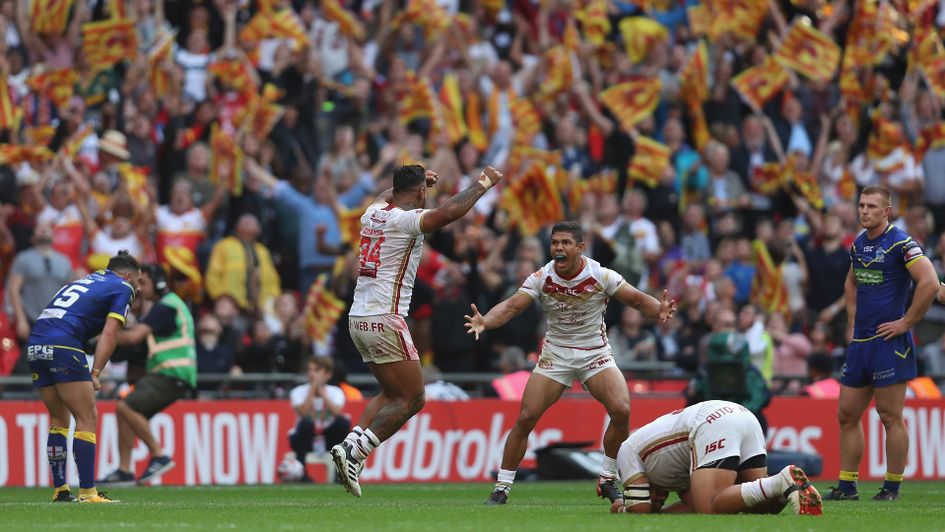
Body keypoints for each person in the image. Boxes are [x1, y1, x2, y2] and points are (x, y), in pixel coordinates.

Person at [464, 221, 677, 505]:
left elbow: (637, 300)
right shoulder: (542, 277)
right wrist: (486, 321)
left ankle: (607, 478)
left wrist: (657, 309)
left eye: (565, 243)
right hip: (557, 354)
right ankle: (502, 487)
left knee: (622, 409)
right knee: (526, 418)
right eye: (555, 243)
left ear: (580, 247)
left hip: (595, 353)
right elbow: (512, 306)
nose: (559, 248)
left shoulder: (600, 274)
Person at [329, 163, 504, 498]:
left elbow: (388, 193)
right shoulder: (405, 221)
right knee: (415, 398)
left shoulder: (373, 212)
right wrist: (483, 183)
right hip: (385, 317)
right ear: (422, 192)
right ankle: (358, 452)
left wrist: (419, 184)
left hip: (357, 319)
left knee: (391, 393)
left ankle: (349, 445)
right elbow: (449, 212)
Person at [825, 186, 939, 502]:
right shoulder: (859, 244)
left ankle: (891, 487)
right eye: (861, 205)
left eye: (872, 206)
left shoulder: (901, 242)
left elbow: (929, 282)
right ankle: (847, 487)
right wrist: (851, 320)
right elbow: (851, 281)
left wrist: (906, 322)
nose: (864, 211)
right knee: (847, 415)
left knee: (890, 416)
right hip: (861, 343)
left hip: (890, 341)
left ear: (886, 211)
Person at [25, 251, 141, 503]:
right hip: (64, 345)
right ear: (129, 275)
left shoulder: (82, 281)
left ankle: (61, 490)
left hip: (36, 344)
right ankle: (88, 492)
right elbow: (111, 334)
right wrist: (96, 372)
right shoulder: (123, 286)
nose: (138, 288)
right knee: (87, 416)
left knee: (58, 419)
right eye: (138, 282)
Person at [611, 400, 822, 516]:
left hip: (710, 423)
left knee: (710, 505)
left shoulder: (626, 450)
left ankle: (780, 481)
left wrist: (621, 507)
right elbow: (690, 506)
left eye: (644, 491)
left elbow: (640, 509)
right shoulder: (666, 467)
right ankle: (786, 489)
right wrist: (663, 511)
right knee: (758, 506)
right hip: (742, 415)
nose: (657, 500)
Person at [98, 264, 196, 486]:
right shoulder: (168, 307)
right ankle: (124, 471)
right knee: (124, 409)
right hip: (171, 374)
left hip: (171, 373)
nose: (139, 288)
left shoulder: (165, 307)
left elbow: (133, 339)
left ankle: (159, 455)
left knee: (126, 407)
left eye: (143, 282)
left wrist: (105, 336)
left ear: (159, 283)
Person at [288, 356, 349, 482]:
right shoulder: (298, 391)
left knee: (342, 423)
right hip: (306, 437)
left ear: (327, 375)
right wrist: (312, 389)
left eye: (316, 370)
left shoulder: (336, 392)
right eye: (309, 370)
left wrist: (322, 394)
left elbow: (337, 412)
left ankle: (339, 473)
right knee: (306, 424)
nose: (312, 374)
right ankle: (302, 474)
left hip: (328, 437)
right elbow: (304, 412)